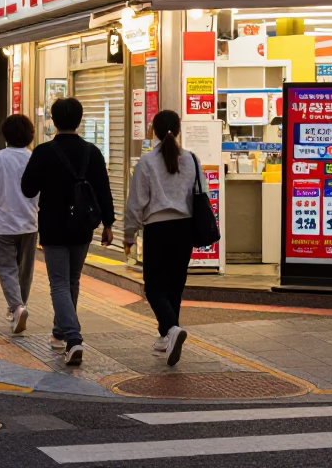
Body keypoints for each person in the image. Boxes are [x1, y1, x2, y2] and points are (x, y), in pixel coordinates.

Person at [21, 98, 114, 366]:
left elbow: (28, 189)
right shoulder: (92, 152)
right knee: (72, 280)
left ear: (53, 120)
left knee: (59, 283)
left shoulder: (43, 152)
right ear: (80, 120)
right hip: (83, 226)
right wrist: (108, 224)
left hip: (53, 224)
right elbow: (103, 192)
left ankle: (73, 338)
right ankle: (59, 332)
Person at [125, 110, 201, 366]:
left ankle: (171, 329)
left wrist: (128, 233)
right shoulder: (191, 159)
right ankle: (166, 335)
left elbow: (136, 202)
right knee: (174, 286)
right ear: (178, 130)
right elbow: (202, 194)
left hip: (158, 229)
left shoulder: (147, 162)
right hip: (185, 228)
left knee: (154, 287)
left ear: (154, 131)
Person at [0, 114, 39, 334]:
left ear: (5, 135)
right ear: (30, 135)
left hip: (3, 225)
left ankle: (17, 307)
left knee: (6, 269)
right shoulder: (34, 157)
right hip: (30, 224)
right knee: (25, 271)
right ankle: (19, 307)